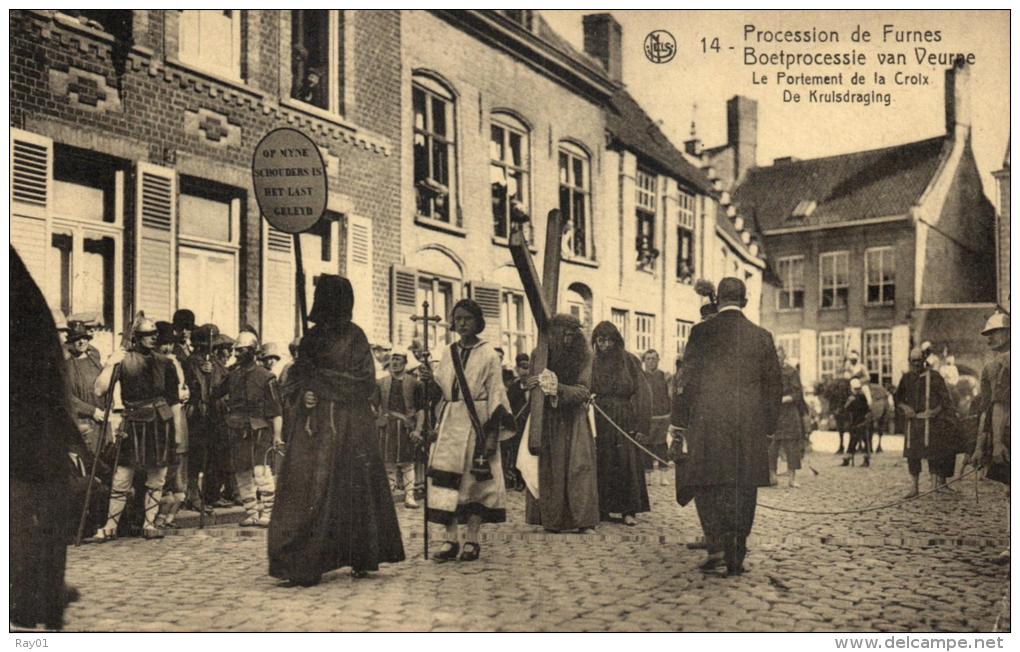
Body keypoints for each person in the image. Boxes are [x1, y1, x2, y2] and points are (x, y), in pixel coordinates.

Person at [269, 276, 404, 585]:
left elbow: (363, 381)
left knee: (353, 491)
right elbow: (295, 380)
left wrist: (320, 384)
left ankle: (360, 555)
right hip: (314, 427)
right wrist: (305, 394)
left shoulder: (355, 337)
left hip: (350, 426)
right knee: (306, 490)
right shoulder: (311, 339)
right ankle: (301, 562)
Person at [671, 277, 781, 576]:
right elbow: (774, 388)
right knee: (743, 489)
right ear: (744, 301)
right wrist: (768, 429)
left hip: (708, 426)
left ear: (717, 300)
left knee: (708, 485)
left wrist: (678, 424)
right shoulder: (762, 336)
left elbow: (685, 382)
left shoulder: (701, 332)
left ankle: (716, 546)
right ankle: (736, 555)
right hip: (749, 427)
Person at [10, 247, 78, 629]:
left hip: (26, 437)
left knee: (22, 521)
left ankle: (31, 601)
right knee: (42, 523)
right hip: (44, 435)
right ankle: (46, 599)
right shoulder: (34, 314)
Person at [420, 299, 515, 562]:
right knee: (445, 481)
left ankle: (472, 540)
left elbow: (497, 392)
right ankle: (450, 540)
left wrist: (493, 434)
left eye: (467, 319)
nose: (461, 323)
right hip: (450, 422)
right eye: (457, 318)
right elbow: (441, 391)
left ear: (478, 321)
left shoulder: (489, 355)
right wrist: (429, 382)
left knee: (475, 483)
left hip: (478, 423)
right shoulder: (447, 352)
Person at [94, 316, 180, 541]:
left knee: (157, 477)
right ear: (136, 338)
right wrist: (112, 363)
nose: (152, 339)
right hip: (133, 423)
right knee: (122, 476)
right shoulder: (123, 360)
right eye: (146, 336)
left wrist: (178, 434)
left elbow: (174, 402)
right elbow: (99, 390)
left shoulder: (166, 363)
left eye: (154, 335)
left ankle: (149, 524)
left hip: (161, 424)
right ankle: (110, 525)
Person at [521, 314, 600, 533]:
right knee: (550, 468)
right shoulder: (540, 353)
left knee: (579, 467)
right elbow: (530, 384)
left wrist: (558, 388)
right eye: (563, 334)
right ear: (554, 334)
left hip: (574, 418)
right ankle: (552, 519)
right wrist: (534, 384)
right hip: (547, 418)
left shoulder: (584, 355)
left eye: (571, 334)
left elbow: (584, 390)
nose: (567, 339)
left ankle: (583, 521)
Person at [212, 331, 283, 527]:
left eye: (242, 350)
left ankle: (268, 513)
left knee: (261, 472)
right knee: (241, 473)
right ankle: (252, 512)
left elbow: (276, 410)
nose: (237, 353)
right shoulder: (232, 375)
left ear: (252, 351)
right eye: (236, 350)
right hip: (236, 429)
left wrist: (277, 436)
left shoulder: (267, 377)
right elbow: (216, 392)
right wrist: (211, 371)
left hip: (259, 430)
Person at [591, 321, 651, 526]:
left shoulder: (630, 361)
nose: (604, 345)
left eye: (608, 340)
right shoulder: (591, 362)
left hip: (624, 417)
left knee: (625, 463)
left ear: (616, 341)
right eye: (600, 340)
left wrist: (643, 426)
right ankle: (603, 509)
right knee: (602, 462)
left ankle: (628, 510)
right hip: (599, 417)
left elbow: (644, 393)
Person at [968, 311, 1010, 564]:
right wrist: (981, 444)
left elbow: (1002, 406)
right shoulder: (991, 366)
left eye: (993, 333)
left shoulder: (1006, 363)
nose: (988, 339)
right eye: (987, 335)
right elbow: (988, 408)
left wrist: (995, 444)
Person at [895, 346, 960, 496]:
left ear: (924, 360)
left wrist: (934, 412)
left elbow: (945, 400)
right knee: (913, 455)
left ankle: (934, 486)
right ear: (909, 361)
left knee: (933, 454)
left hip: (931, 423)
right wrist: (905, 408)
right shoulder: (906, 378)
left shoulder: (935, 377)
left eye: (919, 360)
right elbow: (898, 398)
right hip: (913, 424)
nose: (916, 364)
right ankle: (914, 487)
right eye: (913, 361)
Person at [373, 347, 425, 509]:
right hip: (386, 427)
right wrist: (377, 416)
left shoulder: (415, 383)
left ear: (405, 362)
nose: (395, 363)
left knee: (407, 463)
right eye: (392, 360)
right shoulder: (381, 383)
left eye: (398, 359)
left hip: (406, 428)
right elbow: (373, 406)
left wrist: (417, 430)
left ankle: (409, 497)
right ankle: (389, 497)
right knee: (388, 463)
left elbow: (421, 409)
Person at [153, 321, 189, 529]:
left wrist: (185, 392)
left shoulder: (174, 362)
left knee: (177, 461)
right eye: (163, 344)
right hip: (161, 416)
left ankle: (169, 516)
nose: (167, 348)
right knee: (161, 466)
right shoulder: (155, 363)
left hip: (177, 415)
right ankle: (157, 515)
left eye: (169, 344)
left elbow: (181, 386)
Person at [182, 323, 220, 514]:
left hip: (211, 413)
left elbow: (222, 381)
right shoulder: (191, 361)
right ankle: (192, 494)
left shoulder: (213, 361)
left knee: (208, 455)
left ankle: (203, 493)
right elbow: (194, 385)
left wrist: (212, 372)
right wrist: (203, 373)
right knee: (196, 454)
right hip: (196, 412)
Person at [65, 322, 107, 455]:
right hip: (83, 421)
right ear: (71, 342)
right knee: (87, 461)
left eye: (84, 338)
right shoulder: (66, 367)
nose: (81, 342)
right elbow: (68, 397)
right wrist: (92, 411)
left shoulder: (94, 359)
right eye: (77, 339)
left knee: (106, 457)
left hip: (103, 419)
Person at [770, 346, 806, 487]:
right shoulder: (768, 373)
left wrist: (782, 399)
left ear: (784, 357)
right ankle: (772, 476)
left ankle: (792, 478)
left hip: (789, 413)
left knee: (791, 447)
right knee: (771, 447)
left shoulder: (791, 372)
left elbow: (798, 394)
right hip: (773, 415)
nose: (776, 360)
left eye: (779, 357)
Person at [641, 349, 672, 487]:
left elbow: (671, 396)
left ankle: (663, 476)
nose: (651, 361)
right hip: (647, 417)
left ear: (658, 360)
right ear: (644, 361)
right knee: (645, 446)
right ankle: (647, 477)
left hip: (662, 417)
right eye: (648, 359)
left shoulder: (665, 377)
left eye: (654, 358)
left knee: (661, 446)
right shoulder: (641, 377)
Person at [503, 352, 531, 491]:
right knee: (517, 452)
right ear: (517, 369)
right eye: (522, 368)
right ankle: (519, 480)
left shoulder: (535, 387)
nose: (525, 372)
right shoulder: (513, 389)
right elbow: (509, 405)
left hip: (531, 424)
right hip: (518, 425)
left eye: (528, 368)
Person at [841, 378, 873, 468]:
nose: (857, 391)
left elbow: (846, 409)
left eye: (858, 389)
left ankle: (865, 460)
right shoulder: (858, 398)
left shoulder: (860, 398)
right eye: (856, 389)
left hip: (860, 422)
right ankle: (849, 458)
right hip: (857, 422)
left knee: (862, 441)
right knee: (854, 440)